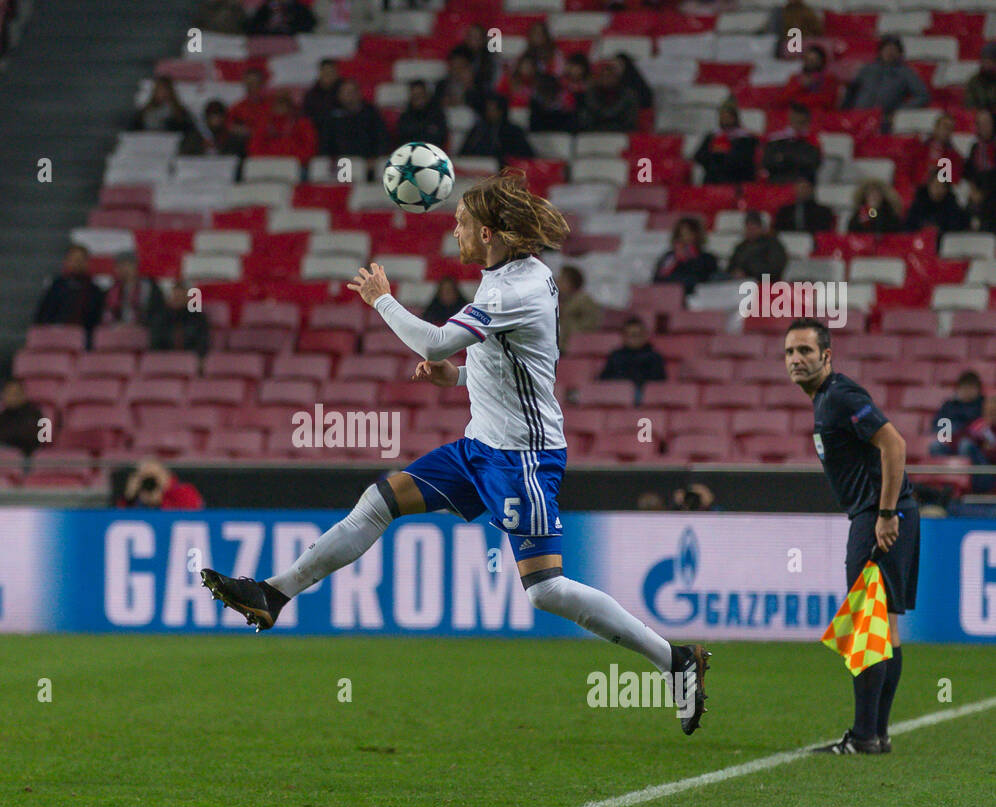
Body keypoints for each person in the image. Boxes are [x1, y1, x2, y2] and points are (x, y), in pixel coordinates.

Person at [201, 168, 710, 736]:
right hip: (479, 446)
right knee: (379, 501)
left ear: (489, 231)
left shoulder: (515, 287)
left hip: (522, 457)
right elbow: (510, 361)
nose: (455, 234)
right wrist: (460, 376)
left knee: (545, 590)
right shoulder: (508, 277)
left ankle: (676, 660)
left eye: (462, 223)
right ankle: (273, 593)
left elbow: (437, 339)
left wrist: (383, 302)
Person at [784, 317, 917, 754]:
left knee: (865, 625)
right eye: (789, 352)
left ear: (826, 355)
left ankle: (863, 736)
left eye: (805, 351)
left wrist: (885, 513)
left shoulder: (839, 395)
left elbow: (894, 444)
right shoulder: (825, 399)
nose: (796, 359)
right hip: (887, 513)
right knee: (886, 628)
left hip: (878, 516)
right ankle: (875, 736)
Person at [842, 35, 930, 122]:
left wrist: (900, 111)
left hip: (884, 119)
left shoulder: (906, 72)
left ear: (899, 53)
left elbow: (922, 96)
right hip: (858, 116)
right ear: (881, 51)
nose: (890, 52)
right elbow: (851, 91)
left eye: (894, 49)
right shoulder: (867, 69)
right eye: (887, 48)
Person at [33, 244, 105, 347]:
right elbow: (43, 316)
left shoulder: (95, 290)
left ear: (87, 263)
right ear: (66, 262)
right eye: (74, 259)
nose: (77, 263)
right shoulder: (56, 286)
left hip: (84, 341)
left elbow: (96, 321)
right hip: (55, 338)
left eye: (81, 259)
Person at [598, 316, 667, 399]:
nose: (634, 339)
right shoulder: (615, 356)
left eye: (637, 335)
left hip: (643, 398)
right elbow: (604, 379)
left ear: (645, 336)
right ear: (624, 337)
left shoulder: (654, 357)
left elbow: (658, 384)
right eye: (630, 335)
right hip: (616, 395)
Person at [319, 80, 389, 160]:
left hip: (367, 164)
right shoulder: (332, 116)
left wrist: (374, 159)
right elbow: (325, 144)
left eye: (351, 92)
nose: (349, 96)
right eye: (345, 92)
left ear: (359, 93)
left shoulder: (371, 114)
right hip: (340, 164)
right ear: (339, 95)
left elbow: (382, 139)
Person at [247, 92, 318, 166]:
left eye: (284, 104)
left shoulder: (302, 123)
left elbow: (309, 148)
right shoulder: (264, 124)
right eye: (278, 104)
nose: (280, 107)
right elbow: (253, 147)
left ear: (290, 106)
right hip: (266, 164)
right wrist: (270, 158)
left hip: (295, 164)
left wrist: (292, 158)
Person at [693, 103, 758, 184]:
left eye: (728, 117)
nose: (725, 120)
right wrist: (715, 154)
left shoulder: (746, 138)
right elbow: (698, 156)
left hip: (736, 178)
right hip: (713, 177)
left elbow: (745, 160)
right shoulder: (712, 136)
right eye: (722, 117)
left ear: (735, 118)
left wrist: (723, 154)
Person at [460, 94, 533, 164]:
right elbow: (464, 152)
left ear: (501, 111)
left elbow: (525, 155)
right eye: (488, 109)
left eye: (492, 109)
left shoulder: (513, 131)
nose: (489, 112)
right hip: (478, 168)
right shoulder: (478, 130)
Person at [652, 217, 717, 293]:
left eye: (689, 234)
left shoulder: (707, 258)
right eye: (681, 234)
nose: (685, 238)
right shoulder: (669, 257)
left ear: (697, 235)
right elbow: (657, 280)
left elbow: (699, 279)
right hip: (668, 296)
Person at [761, 103, 822, 183]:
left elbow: (812, 164)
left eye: (800, 122)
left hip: (803, 184)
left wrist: (784, 158)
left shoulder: (812, 142)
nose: (796, 125)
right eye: (794, 120)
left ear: (807, 121)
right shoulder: (776, 139)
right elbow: (767, 162)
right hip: (777, 182)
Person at [104, 252, 165, 329]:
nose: (124, 269)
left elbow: (158, 312)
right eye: (120, 266)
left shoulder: (149, 286)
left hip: (144, 329)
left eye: (128, 265)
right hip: (118, 330)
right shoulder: (113, 290)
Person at [0, 379, 44, 455]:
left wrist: (4, 437)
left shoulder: (33, 415)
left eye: (15, 393)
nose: (11, 397)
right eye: (8, 394)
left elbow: (28, 438)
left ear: (23, 395)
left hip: (22, 454)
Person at [930, 371, 983, 456]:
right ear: (958, 389)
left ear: (978, 390)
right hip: (950, 441)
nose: (968, 391)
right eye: (965, 387)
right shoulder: (949, 405)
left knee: (965, 445)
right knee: (935, 446)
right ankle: (945, 469)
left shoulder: (983, 405)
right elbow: (937, 425)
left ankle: (965, 469)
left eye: (971, 388)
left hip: (974, 443)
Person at [579, 60, 640, 133]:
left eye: (609, 76)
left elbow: (629, 121)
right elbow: (585, 120)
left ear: (617, 78)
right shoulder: (589, 94)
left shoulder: (628, 95)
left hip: (620, 134)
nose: (606, 79)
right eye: (603, 76)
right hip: (594, 135)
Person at [150, 282, 210, 356]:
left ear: (188, 298)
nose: (178, 300)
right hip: (165, 359)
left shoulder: (198, 318)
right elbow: (155, 344)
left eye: (181, 297)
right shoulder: (160, 318)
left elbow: (202, 343)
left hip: (190, 358)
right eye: (175, 297)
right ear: (168, 299)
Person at [727, 211, 788, 280]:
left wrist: (748, 272)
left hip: (764, 282)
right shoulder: (741, 246)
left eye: (754, 228)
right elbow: (731, 266)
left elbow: (774, 269)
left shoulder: (773, 245)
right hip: (739, 282)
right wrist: (735, 272)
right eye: (749, 228)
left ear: (761, 228)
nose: (751, 232)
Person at [120, 459, 203, 509]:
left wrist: (164, 493)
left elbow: (192, 515)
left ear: (164, 474)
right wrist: (129, 498)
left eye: (153, 476)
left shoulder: (183, 491)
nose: (150, 481)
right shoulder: (137, 497)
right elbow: (119, 519)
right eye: (145, 477)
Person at [555, 265, 602, 353]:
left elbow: (591, 323)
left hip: (575, 344)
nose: (557, 281)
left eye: (561, 279)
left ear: (571, 282)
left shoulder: (584, 300)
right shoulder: (554, 300)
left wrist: (569, 324)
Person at [130, 76, 197, 137]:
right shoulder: (144, 112)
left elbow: (188, 130)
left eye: (165, 90)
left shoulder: (181, 113)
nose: (163, 93)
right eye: (160, 90)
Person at [781, 46, 840, 114]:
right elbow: (784, 99)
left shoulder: (829, 79)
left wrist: (799, 100)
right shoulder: (795, 79)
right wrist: (800, 86)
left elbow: (826, 101)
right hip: (797, 116)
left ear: (822, 61)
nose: (810, 63)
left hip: (820, 116)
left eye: (814, 60)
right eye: (808, 59)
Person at [903, 179, 969, 239]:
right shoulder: (919, 203)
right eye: (936, 186)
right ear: (929, 186)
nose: (939, 190)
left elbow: (955, 230)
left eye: (943, 187)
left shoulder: (951, 205)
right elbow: (909, 228)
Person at [179, 99, 246, 158]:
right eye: (212, 116)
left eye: (219, 116)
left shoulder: (232, 137)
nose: (216, 120)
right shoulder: (194, 137)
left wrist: (219, 147)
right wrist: (202, 147)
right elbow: (184, 157)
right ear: (206, 118)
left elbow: (236, 156)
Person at [394, 81, 448, 150]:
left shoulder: (437, 115)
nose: (418, 99)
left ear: (426, 95)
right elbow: (402, 138)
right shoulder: (405, 117)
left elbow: (441, 137)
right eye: (415, 95)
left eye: (420, 95)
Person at [959, 395, 996, 493]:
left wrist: (990, 450)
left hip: (992, 473)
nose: (990, 414)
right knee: (938, 446)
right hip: (978, 470)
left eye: (994, 411)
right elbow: (962, 440)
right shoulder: (978, 425)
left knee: (966, 445)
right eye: (988, 411)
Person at [434, 49, 488, 115]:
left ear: (469, 68)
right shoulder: (441, 86)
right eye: (454, 67)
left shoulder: (480, 89)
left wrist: (469, 89)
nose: (457, 72)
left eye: (461, 67)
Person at [301, 59, 341, 140]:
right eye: (325, 72)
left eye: (331, 72)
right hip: (320, 136)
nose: (328, 75)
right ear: (320, 73)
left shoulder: (344, 91)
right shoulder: (311, 95)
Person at [964, 108, 996, 199]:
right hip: (979, 195)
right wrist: (974, 190)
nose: (983, 126)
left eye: (986, 123)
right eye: (980, 123)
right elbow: (969, 171)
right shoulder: (975, 147)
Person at [245, 0, 316, 36]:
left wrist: (293, 30)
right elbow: (253, 25)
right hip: (268, 38)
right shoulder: (265, 8)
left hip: (292, 37)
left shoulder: (299, 8)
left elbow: (309, 24)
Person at [964, 42, 996, 112]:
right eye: (984, 60)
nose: (986, 65)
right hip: (980, 117)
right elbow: (969, 104)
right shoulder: (974, 81)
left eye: (990, 61)